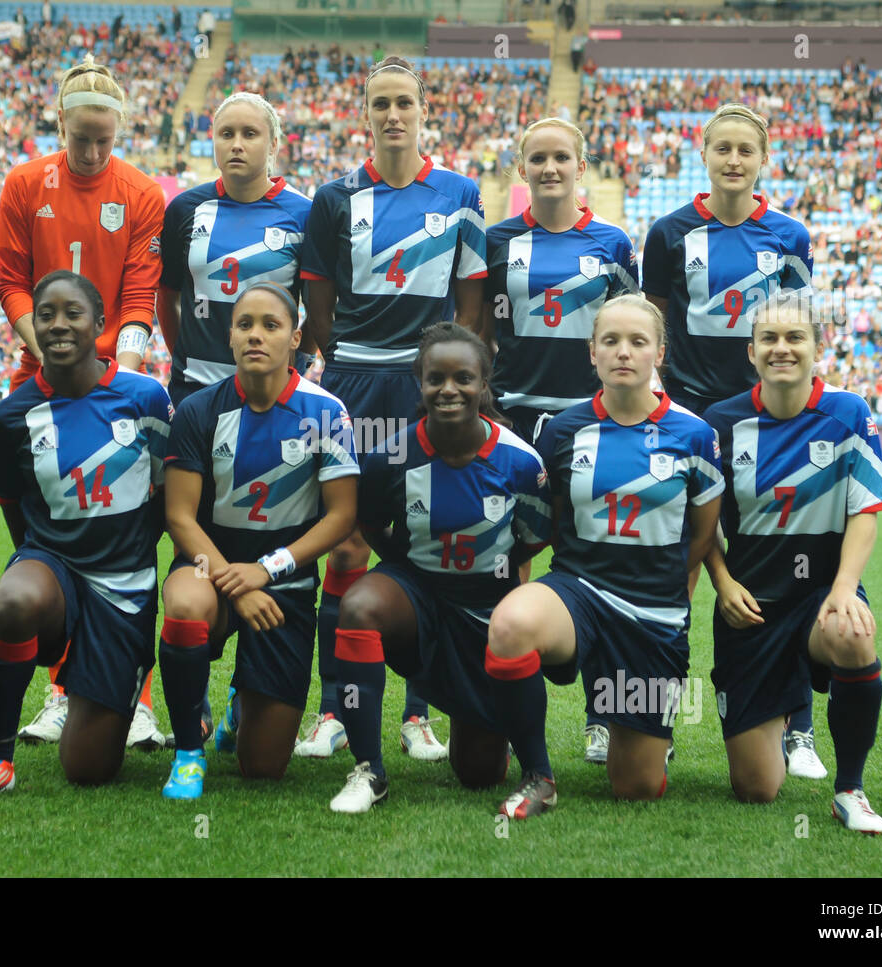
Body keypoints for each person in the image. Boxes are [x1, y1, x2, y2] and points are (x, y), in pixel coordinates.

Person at [300, 56, 487, 761]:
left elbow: (469, 304)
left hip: (425, 388)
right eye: (380, 104)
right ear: (366, 113)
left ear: (422, 108)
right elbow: (317, 300)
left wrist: (441, 373)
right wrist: (345, 363)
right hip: (354, 384)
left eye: (403, 102)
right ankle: (332, 709)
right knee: (345, 539)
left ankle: (417, 714)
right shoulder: (334, 198)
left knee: (425, 539)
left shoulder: (461, 193)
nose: (393, 115)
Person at [485, 295, 723, 818]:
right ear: (591, 352)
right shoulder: (561, 431)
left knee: (634, 787)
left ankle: (639, 728)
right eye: (610, 341)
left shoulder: (696, 436)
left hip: (652, 617)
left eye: (638, 342)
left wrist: (676, 600)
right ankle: (537, 776)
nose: (623, 352)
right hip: (579, 594)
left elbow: (701, 537)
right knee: (510, 626)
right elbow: (539, 524)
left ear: (659, 352)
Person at [0, 271, 172, 801]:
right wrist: (42, 565)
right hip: (56, 570)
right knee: (19, 596)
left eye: (73, 313)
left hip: (126, 589)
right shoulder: (8, 418)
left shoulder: (146, 399)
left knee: (88, 769)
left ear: (100, 323)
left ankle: (107, 671)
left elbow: (166, 497)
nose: (59, 325)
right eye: (46, 315)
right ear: (33, 326)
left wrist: (129, 554)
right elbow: (17, 518)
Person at [642, 102, 822, 776]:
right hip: (692, 422)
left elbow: (796, 331)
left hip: (767, 422)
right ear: (705, 152)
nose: (734, 160)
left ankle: (798, 726)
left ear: (762, 157)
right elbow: (652, 331)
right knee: (677, 572)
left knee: (783, 561)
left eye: (746, 150)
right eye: (723, 148)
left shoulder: (791, 235)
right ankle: (653, 720)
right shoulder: (668, 233)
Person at [0, 55, 168, 749]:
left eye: (104, 138)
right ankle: (61, 688)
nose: (93, 151)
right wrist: (50, 356)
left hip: (114, 379)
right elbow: (10, 281)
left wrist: (116, 377)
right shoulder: (20, 183)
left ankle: (141, 693)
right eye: (81, 137)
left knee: (129, 540)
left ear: (118, 129)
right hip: (40, 376)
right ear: (59, 121)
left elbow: (138, 294)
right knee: (48, 538)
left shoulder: (142, 192)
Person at [328, 323, 551, 813]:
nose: (449, 389)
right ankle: (369, 771)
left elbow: (534, 538)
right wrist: (401, 568)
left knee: (478, 774)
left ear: (484, 385)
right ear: (420, 382)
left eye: (464, 378)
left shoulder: (520, 462)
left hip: (483, 611)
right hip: (418, 597)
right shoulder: (391, 455)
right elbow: (368, 521)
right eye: (436, 379)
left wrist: (497, 576)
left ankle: (520, 750)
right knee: (361, 605)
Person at [158, 282, 359, 799]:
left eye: (271, 325)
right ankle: (186, 751)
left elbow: (341, 516)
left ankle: (240, 702)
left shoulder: (327, 412)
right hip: (209, 570)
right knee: (183, 605)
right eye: (244, 324)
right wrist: (237, 584)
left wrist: (267, 570)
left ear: (295, 338)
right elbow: (180, 517)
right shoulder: (200, 410)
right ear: (229, 337)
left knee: (263, 768)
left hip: (284, 586)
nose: (256, 335)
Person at [702, 292, 882, 833]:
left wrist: (844, 587)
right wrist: (722, 580)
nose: (782, 348)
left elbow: (865, 511)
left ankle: (850, 789)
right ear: (751, 351)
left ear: (816, 346)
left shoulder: (849, 413)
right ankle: (782, 709)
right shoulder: (722, 421)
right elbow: (703, 524)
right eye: (769, 339)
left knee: (851, 633)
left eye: (794, 337)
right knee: (757, 789)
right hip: (751, 606)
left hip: (818, 597)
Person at [484, 116, 639, 765]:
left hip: (588, 424)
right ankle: (506, 710)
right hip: (516, 421)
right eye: (538, 159)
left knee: (597, 557)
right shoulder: (496, 241)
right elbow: (476, 326)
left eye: (561, 158)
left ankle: (604, 715)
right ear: (523, 170)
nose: (550, 169)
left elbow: (630, 330)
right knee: (506, 559)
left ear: (581, 166)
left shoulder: (612, 242)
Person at [159, 92, 311, 410]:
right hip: (194, 392)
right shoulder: (184, 209)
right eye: (226, 134)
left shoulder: (304, 215)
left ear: (273, 145)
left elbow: (319, 306)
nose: (236, 144)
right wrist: (183, 359)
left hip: (270, 392)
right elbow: (167, 296)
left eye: (250, 134)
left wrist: (299, 359)